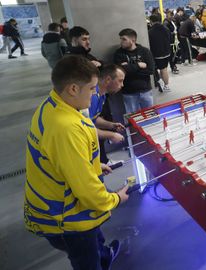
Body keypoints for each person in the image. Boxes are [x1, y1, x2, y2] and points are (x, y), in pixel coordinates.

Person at [24, 55, 129, 270]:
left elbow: (57, 157)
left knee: (94, 244)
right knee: (86, 261)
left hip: (52, 202)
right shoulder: (67, 127)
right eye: (91, 89)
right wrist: (116, 198)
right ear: (73, 88)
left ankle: (105, 256)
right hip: (65, 217)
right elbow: (89, 193)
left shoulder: (52, 105)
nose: (94, 94)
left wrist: (93, 165)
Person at [89, 64, 126, 165]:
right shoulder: (91, 97)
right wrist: (111, 135)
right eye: (120, 80)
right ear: (108, 79)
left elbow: (94, 119)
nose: (122, 85)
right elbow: (85, 129)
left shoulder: (102, 95)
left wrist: (111, 125)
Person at [113, 28, 155, 114]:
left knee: (150, 115)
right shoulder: (119, 53)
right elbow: (119, 72)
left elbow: (151, 70)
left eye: (124, 39)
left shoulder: (145, 51)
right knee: (133, 119)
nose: (121, 42)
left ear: (133, 40)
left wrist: (128, 68)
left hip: (145, 90)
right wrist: (138, 65)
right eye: (120, 39)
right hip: (129, 93)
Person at [149, 14, 172, 92]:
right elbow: (170, 38)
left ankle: (164, 85)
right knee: (164, 69)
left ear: (151, 21)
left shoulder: (150, 31)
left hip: (157, 54)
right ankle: (165, 85)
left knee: (160, 70)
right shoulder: (166, 28)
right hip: (167, 52)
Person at [163, 10, 180, 74]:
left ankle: (174, 65)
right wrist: (173, 33)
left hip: (175, 40)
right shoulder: (165, 22)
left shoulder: (172, 21)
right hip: (170, 42)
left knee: (176, 53)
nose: (171, 16)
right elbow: (166, 33)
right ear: (167, 15)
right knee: (172, 55)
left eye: (172, 15)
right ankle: (173, 67)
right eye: (170, 15)